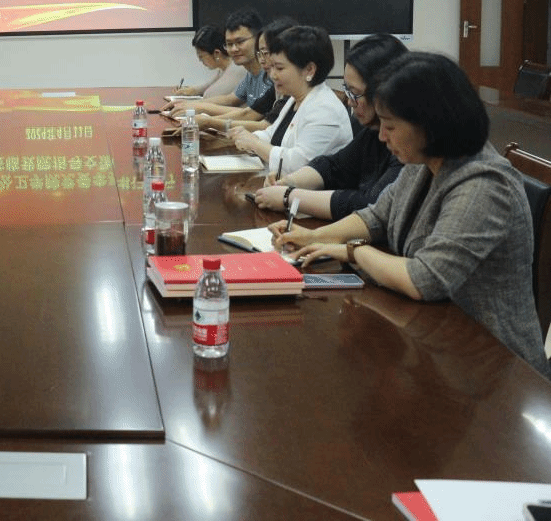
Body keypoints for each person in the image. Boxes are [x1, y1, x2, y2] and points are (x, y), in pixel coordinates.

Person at [274, 52, 550, 376]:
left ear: (430, 125)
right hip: (436, 339)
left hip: (493, 365)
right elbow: (377, 216)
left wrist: (353, 251)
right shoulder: (424, 161)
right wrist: (313, 237)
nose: (382, 136)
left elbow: (424, 279)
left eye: (390, 126)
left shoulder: (484, 185)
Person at [255, 33, 407, 219]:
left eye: (355, 93)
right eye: (347, 90)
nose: (349, 102)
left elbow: (372, 205)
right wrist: (290, 182)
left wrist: (290, 196)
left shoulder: (407, 145)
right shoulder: (372, 132)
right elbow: (334, 166)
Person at [230, 24, 352, 175]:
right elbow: (272, 134)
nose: (272, 75)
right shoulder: (295, 99)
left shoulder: (325, 110)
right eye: (272, 67)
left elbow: (298, 164)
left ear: (309, 70)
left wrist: (254, 143)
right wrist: (248, 137)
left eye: (279, 68)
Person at [165, 8, 271, 117]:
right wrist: (189, 104)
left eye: (240, 42)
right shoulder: (250, 73)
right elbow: (230, 99)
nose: (234, 49)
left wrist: (199, 107)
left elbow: (251, 114)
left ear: (259, 39)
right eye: (229, 44)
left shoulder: (271, 73)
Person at [179, 25, 246, 98]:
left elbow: (209, 95)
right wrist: (188, 90)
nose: (200, 61)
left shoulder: (237, 68)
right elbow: (205, 87)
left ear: (217, 53)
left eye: (201, 57)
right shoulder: (223, 69)